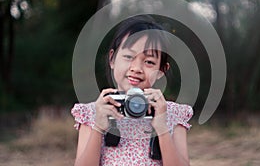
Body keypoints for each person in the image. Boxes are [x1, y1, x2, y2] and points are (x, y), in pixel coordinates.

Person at [71, 15, 193, 166]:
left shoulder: (172, 114)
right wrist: (98, 127)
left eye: (149, 61)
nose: (136, 68)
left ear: (161, 70)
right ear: (112, 59)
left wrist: (162, 129)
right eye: (128, 56)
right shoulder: (93, 112)